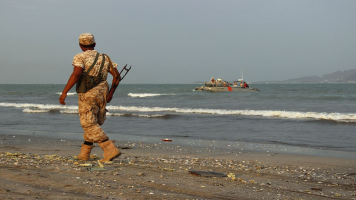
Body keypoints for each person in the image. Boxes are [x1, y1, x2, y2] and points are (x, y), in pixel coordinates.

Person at [59, 33, 122, 162]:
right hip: (102, 92)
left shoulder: (79, 57)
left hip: (87, 93)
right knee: (94, 121)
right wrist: (111, 94)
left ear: (81, 46)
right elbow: (117, 77)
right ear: (94, 45)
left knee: (88, 123)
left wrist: (65, 91)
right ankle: (84, 153)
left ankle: (110, 149)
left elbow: (76, 74)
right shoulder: (105, 58)